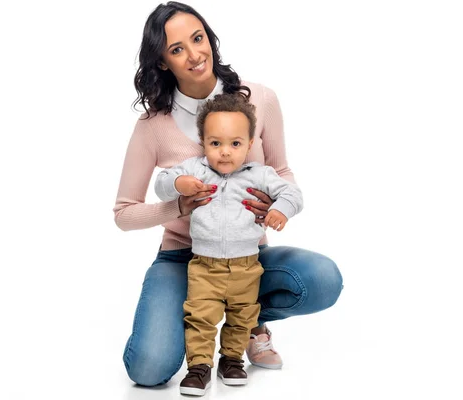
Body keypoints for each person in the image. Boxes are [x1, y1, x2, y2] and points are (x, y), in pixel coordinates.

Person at [113, 1, 343, 387]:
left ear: (210, 37)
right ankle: (191, 318)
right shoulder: (153, 125)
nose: (194, 55)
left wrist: (278, 205)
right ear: (163, 62)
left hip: (246, 256)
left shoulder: (260, 99)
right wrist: (178, 206)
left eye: (197, 38)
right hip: (183, 258)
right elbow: (123, 213)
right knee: (149, 369)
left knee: (321, 278)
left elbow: (281, 171)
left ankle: (246, 322)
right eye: (176, 49)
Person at [155, 93, 303, 395]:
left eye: (235, 144)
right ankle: (199, 366)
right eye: (215, 143)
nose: (224, 152)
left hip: (247, 266)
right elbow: (161, 184)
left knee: (242, 315)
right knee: (200, 316)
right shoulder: (194, 169)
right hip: (204, 267)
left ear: (249, 144)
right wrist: (178, 184)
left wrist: (279, 210)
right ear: (203, 141)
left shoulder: (260, 175)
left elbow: (294, 195)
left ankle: (232, 360)